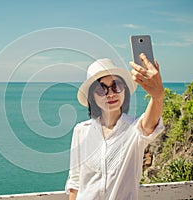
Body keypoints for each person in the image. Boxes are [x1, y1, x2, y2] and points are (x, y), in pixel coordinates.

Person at [65, 53, 165, 200]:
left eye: (116, 86)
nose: (110, 94)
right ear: (92, 96)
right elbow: (75, 182)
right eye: (101, 89)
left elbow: (150, 123)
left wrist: (158, 95)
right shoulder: (81, 130)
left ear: (124, 89)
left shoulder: (135, 129)